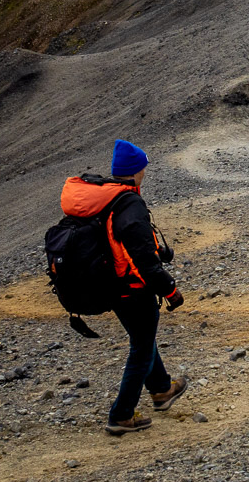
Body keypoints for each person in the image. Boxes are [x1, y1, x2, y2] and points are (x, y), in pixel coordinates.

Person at [60, 139, 188, 434]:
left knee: (143, 339)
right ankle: (121, 415)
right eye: (143, 167)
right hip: (133, 287)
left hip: (111, 284)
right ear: (135, 170)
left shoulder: (106, 197)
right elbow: (142, 257)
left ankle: (162, 390)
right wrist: (169, 289)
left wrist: (161, 252)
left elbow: (123, 242)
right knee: (141, 347)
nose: (145, 171)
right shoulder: (129, 202)